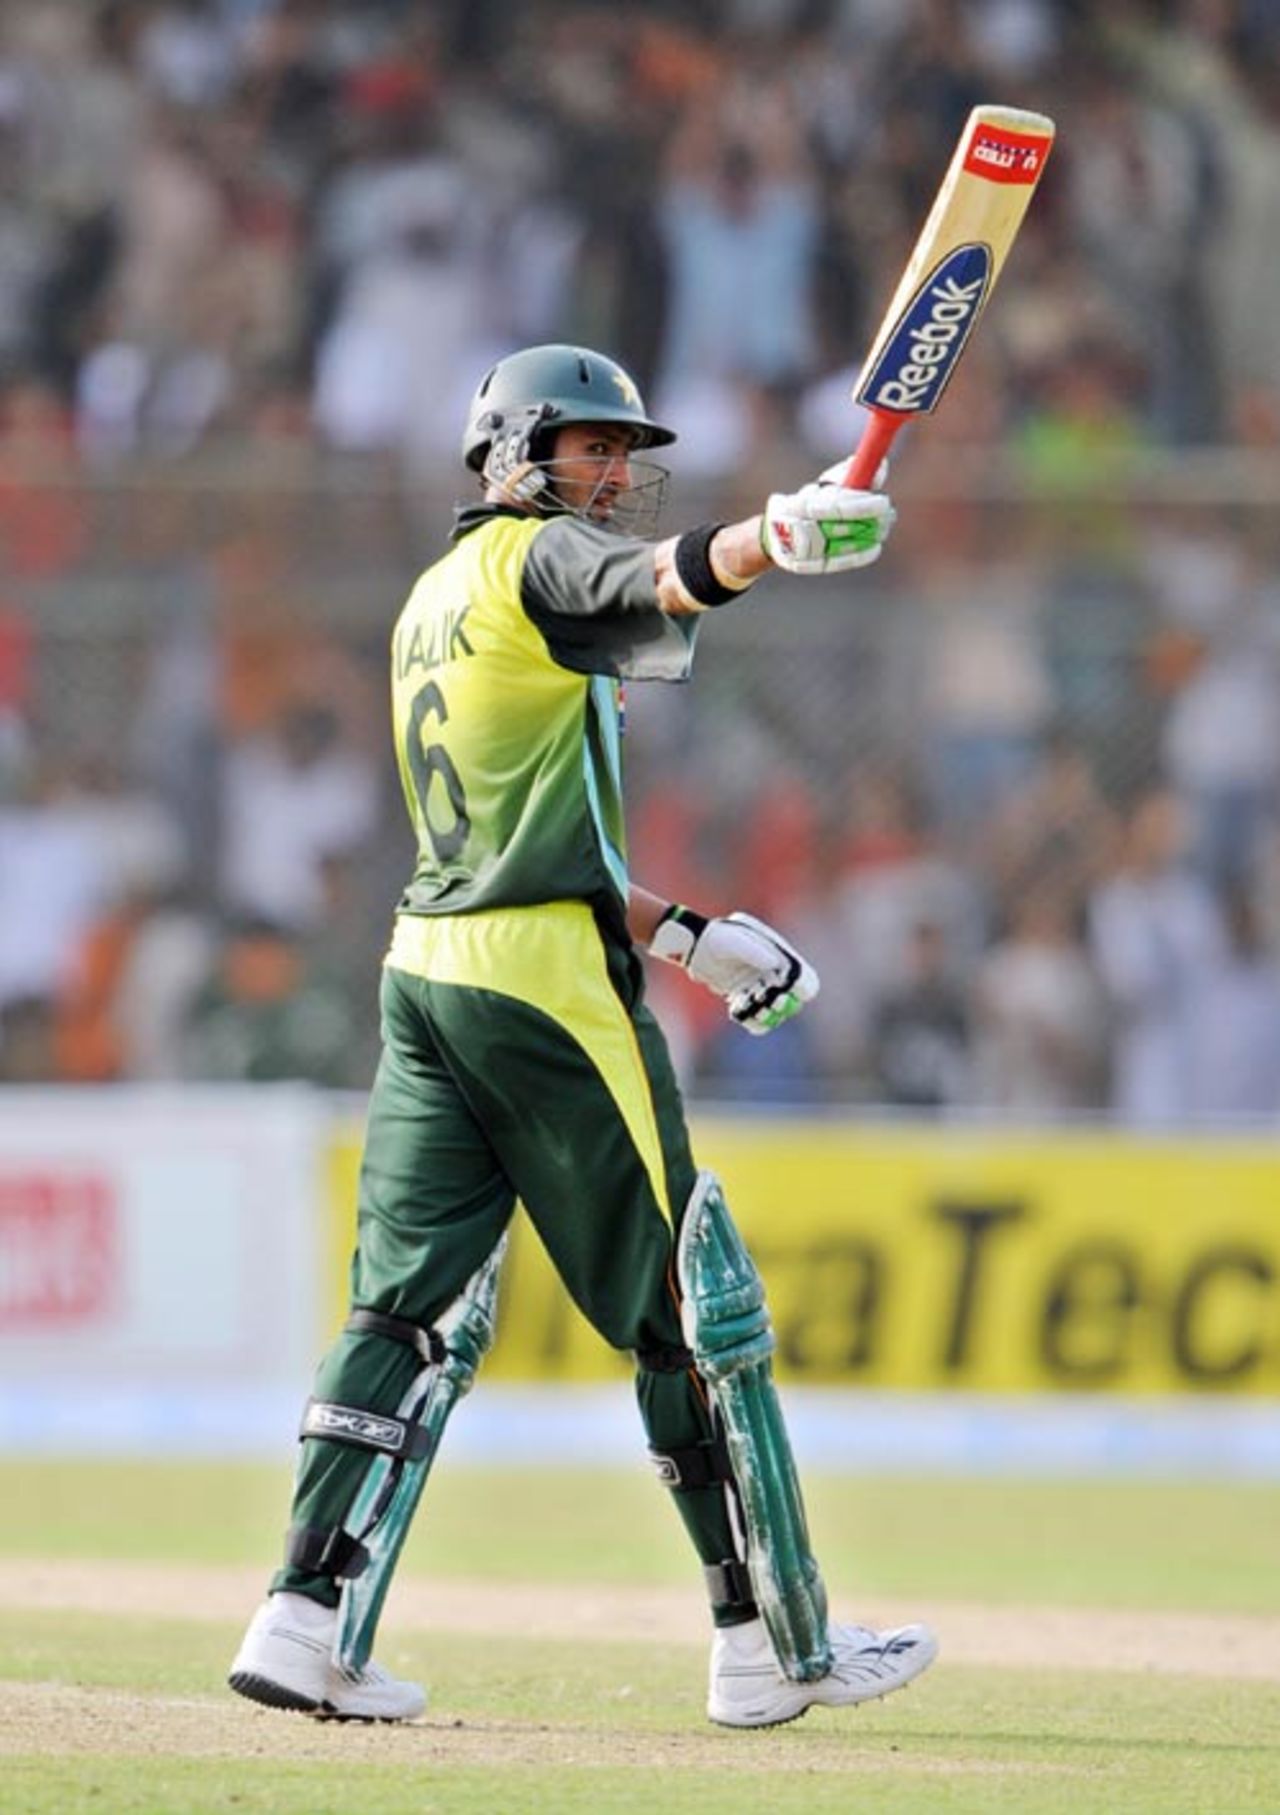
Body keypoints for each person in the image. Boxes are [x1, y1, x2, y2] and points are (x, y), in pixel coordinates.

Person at [228, 343, 937, 1728]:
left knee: (403, 1313)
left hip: (428, 976)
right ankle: (768, 1646)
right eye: (587, 449)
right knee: (693, 1308)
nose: (611, 474)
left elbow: (521, 837)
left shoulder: (433, 601)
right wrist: (774, 535)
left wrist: (683, 932)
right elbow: (666, 577)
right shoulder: (535, 561)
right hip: (546, 990)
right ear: (512, 455)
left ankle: (300, 1617)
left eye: (623, 452)